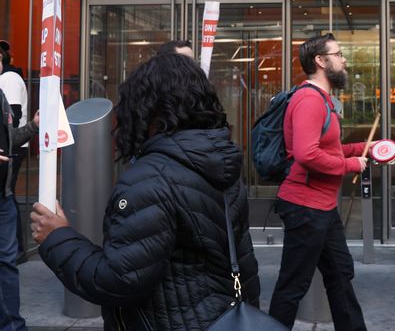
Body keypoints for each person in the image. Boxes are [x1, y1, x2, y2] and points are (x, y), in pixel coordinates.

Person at [29, 54, 260, 330]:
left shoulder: (148, 179)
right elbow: (245, 267)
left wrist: (57, 238)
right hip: (221, 318)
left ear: (147, 108)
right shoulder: (222, 162)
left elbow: (118, 280)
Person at [268, 33, 369, 330]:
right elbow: (306, 154)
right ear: (320, 61)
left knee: (340, 274)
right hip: (305, 207)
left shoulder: (323, 100)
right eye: (338, 54)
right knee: (293, 285)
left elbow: (329, 151)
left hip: (321, 208)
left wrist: (367, 149)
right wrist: (351, 164)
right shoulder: (309, 100)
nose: (344, 59)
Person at [0, 88, 38, 331]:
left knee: (6, 263)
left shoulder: (1, 96)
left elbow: (9, 138)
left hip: (4, 199)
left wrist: (33, 126)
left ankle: (12, 326)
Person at [0, 47, 28, 257]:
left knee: (7, 195)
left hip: (11, 147)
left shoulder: (9, 79)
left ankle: (16, 248)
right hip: (11, 145)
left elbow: (13, 117)